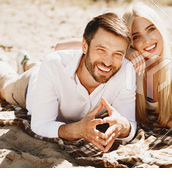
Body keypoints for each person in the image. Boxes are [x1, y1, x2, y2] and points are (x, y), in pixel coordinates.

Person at [0, 12, 137, 152]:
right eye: (101, 50)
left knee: (38, 67)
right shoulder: (53, 64)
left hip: (46, 73)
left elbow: (129, 124)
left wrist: (123, 127)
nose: (108, 62)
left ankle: (27, 62)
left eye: (117, 54)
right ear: (84, 45)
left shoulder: (126, 70)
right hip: (30, 86)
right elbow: (40, 125)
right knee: (6, 85)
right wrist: (77, 130)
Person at [56, 2, 172, 131]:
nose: (147, 40)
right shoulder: (123, 59)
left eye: (151, 29)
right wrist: (124, 50)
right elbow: (60, 47)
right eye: (136, 36)